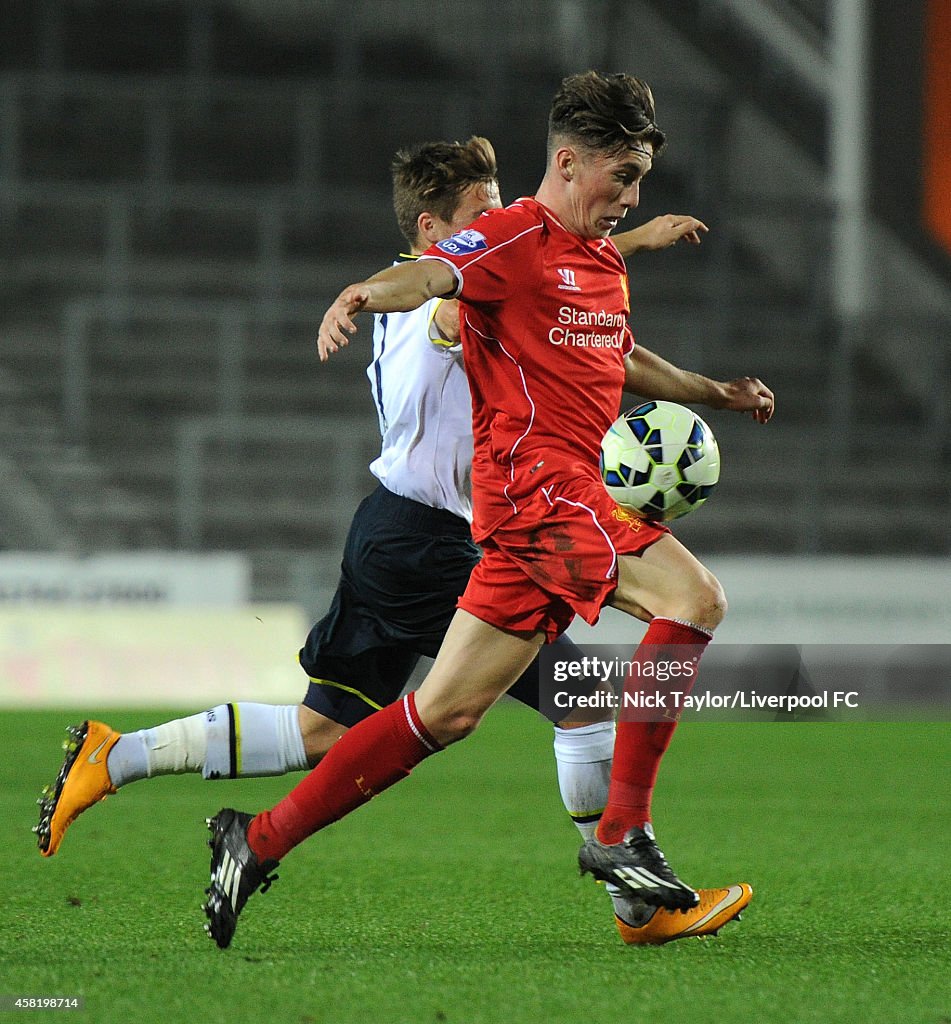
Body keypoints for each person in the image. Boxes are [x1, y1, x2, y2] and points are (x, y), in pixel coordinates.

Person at [34, 134, 750, 946]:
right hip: (433, 542)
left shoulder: (490, 271)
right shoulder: (438, 309)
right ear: (429, 228)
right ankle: (637, 902)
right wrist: (364, 293)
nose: (504, 221)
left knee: (327, 730)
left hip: (400, 531)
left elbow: (548, 280)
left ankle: (116, 756)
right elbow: (458, 293)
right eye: (480, 215)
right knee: (574, 701)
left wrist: (629, 241)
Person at [200, 70, 773, 949]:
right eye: (618, 178)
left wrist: (714, 394)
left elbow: (615, 359)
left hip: (531, 520)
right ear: (568, 162)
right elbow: (431, 276)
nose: (628, 197)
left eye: (639, 181)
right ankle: (622, 836)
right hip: (538, 493)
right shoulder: (508, 237)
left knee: (441, 715)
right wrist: (361, 293)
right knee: (694, 601)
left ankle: (256, 839)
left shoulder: (598, 264)